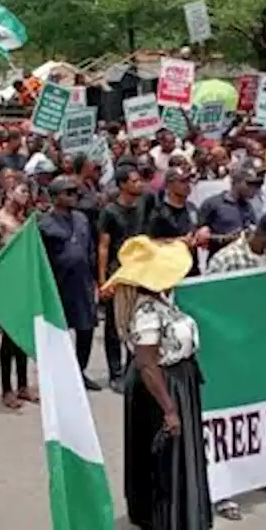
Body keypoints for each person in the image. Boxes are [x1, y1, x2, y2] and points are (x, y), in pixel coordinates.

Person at [108, 231, 209, 530]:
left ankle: (179, 521)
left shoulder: (163, 300)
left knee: (180, 457)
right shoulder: (146, 312)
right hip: (161, 390)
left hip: (180, 382)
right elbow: (148, 365)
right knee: (168, 462)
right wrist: (169, 409)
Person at [204, 210, 266, 514]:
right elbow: (212, 305)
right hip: (233, 351)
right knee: (230, 421)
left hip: (264, 348)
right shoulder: (226, 260)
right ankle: (222, 489)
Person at [39, 175, 101, 391]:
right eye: (68, 193)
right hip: (59, 285)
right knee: (58, 332)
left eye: (75, 192)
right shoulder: (44, 224)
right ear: (55, 197)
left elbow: (91, 247)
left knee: (86, 330)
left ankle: (79, 371)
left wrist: (95, 278)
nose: (73, 196)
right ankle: (58, 374)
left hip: (82, 283)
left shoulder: (82, 219)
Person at [0, 177, 35, 410]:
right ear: (10, 192)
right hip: (6, 284)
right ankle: (7, 388)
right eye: (23, 190)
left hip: (25, 282)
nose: (26, 196)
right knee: (9, 338)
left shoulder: (27, 221)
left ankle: (24, 385)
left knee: (23, 336)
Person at [98, 165, 146, 391]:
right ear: (122, 184)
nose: (139, 184)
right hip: (117, 273)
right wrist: (103, 280)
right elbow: (103, 247)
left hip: (139, 273)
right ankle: (115, 372)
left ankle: (132, 370)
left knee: (136, 323)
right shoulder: (109, 212)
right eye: (134, 181)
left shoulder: (143, 206)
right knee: (114, 326)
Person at [199, 165, 260, 259]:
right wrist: (225, 238)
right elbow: (200, 237)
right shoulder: (213, 204)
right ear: (236, 183)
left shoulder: (248, 207)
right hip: (219, 259)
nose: (253, 188)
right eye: (249, 184)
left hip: (242, 259)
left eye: (255, 185)